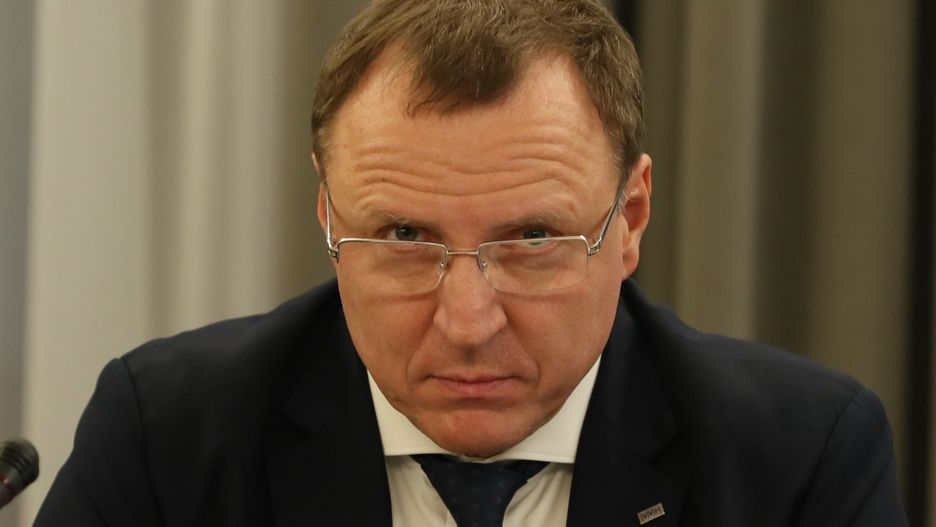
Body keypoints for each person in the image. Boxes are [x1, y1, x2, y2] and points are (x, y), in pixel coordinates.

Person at [36, 0, 907, 525]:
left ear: (631, 218)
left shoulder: (798, 459)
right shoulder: (169, 437)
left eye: (531, 239)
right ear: (329, 215)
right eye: (403, 238)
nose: (466, 322)